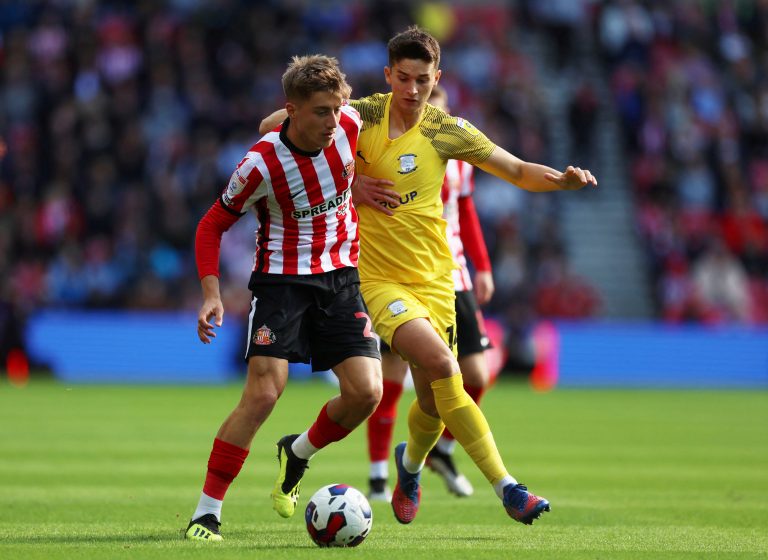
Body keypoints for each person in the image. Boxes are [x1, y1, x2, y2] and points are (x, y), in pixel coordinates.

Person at [260, 26, 596, 526]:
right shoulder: (359, 114)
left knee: (436, 403)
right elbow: (277, 123)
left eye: (422, 79)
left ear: (437, 77)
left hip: (437, 281)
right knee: (445, 366)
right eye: (403, 78)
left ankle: (408, 465)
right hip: (375, 279)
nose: (412, 89)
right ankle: (509, 487)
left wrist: (562, 182)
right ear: (387, 76)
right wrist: (352, 185)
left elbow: (519, 170)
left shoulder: (447, 130)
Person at [186, 54, 382, 542]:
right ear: (293, 110)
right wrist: (211, 293)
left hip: (340, 278)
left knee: (366, 393)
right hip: (281, 283)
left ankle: (296, 453)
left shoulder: (350, 123)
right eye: (321, 112)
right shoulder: (260, 163)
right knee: (264, 393)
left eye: (337, 109)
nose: (333, 121)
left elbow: (347, 113)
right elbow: (212, 224)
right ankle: (206, 512)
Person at [362, 85, 497, 502]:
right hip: (397, 275)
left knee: (474, 376)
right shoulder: (386, 145)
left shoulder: (459, 157)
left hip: (451, 276)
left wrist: (484, 266)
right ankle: (379, 475)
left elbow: (467, 211)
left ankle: (440, 449)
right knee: (392, 380)